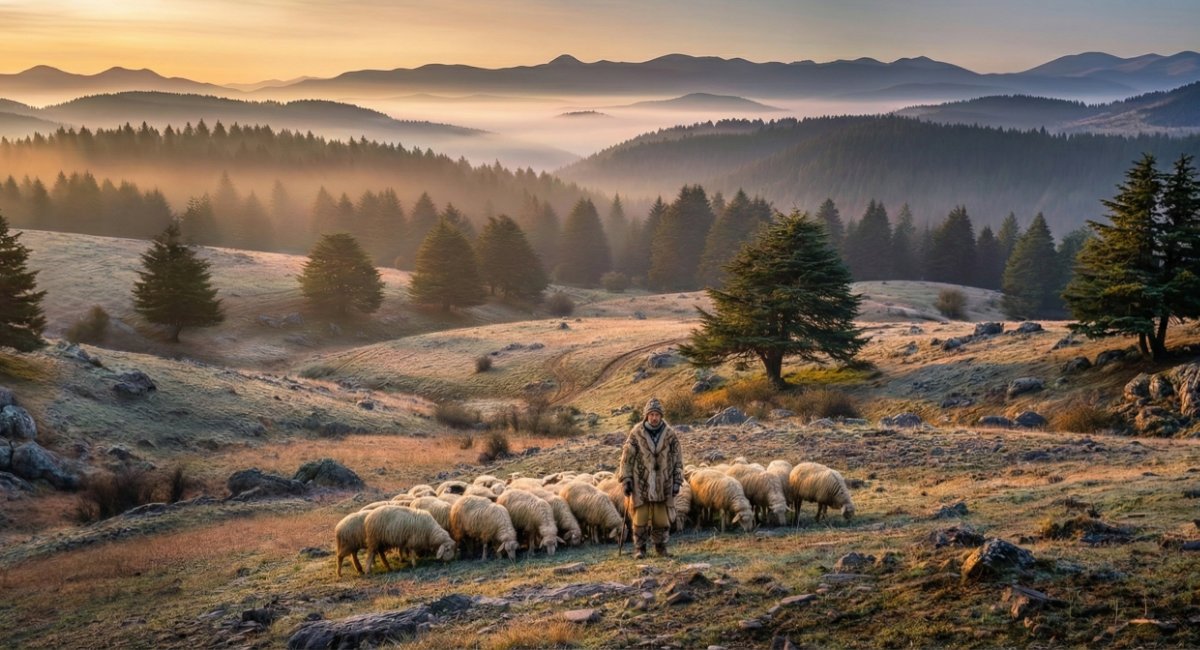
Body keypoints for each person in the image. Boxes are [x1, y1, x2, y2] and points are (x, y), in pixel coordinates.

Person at [618, 397, 685, 559]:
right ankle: (640, 549)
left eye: (657, 414)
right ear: (646, 416)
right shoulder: (636, 434)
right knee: (640, 517)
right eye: (651, 414)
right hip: (641, 483)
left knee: (661, 519)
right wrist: (626, 479)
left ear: (661, 416)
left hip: (664, 482)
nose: (654, 417)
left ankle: (661, 548)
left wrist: (677, 480)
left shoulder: (670, 435)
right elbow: (626, 458)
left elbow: (678, 459)